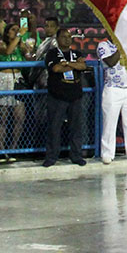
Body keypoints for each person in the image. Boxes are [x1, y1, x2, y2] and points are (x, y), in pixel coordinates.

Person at [43, 28, 87, 167]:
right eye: (64, 37)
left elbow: (82, 66)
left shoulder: (76, 53)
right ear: (57, 39)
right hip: (58, 95)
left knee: (76, 127)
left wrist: (67, 64)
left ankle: (76, 155)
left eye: (69, 37)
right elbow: (55, 69)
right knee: (54, 127)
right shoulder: (52, 53)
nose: (67, 39)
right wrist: (74, 66)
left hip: (75, 95)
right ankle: (51, 157)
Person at [97, 37, 127, 165]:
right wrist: (120, 47)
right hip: (113, 89)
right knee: (109, 122)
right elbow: (110, 62)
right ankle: (107, 154)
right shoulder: (103, 45)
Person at [0, 23, 29, 158]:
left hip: (17, 80)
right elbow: (7, 51)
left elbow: (30, 57)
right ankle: (1, 149)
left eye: (18, 30)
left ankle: (13, 148)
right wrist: (18, 37)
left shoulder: (20, 44)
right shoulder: (0, 44)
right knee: (4, 117)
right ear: (7, 33)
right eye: (14, 30)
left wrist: (27, 49)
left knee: (20, 117)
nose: (17, 32)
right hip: (4, 80)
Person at [31, 16, 60, 89]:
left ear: (57, 28)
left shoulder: (55, 41)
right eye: (47, 26)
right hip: (41, 80)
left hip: (49, 81)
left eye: (52, 26)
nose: (49, 29)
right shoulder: (45, 41)